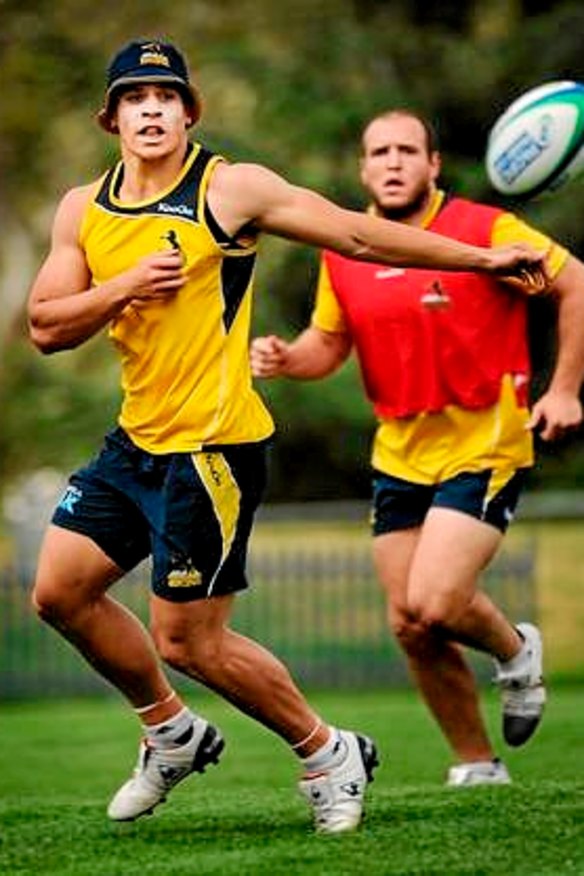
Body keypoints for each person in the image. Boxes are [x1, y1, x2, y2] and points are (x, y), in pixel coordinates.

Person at [27, 41, 548, 837]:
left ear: (190, 110)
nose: (154, 108)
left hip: (214, 448)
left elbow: (358, 237)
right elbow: (44, 327)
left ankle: (327, 751)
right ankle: (170, 732)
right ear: (113, 118)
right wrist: (128, 285)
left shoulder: (231, 189)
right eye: (136, 97)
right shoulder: (81, 208)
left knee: (190, 641)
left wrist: (481, 259)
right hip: (136, 442)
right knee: (59, 592)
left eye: (168, 95)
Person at [251, 108, 584, 787]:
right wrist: (289, 358)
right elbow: (329, 345)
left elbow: (577, 280)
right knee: (409, 623)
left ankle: (516, 652)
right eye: (380, 151)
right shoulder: (344, 246)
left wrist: (566, 389)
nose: (394, 161)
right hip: (399, 448)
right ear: (364, 168)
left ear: (434, 165)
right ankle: (476, 764)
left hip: (483, 438)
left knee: (436, 599)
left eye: (409, 150)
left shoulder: (485, 230)